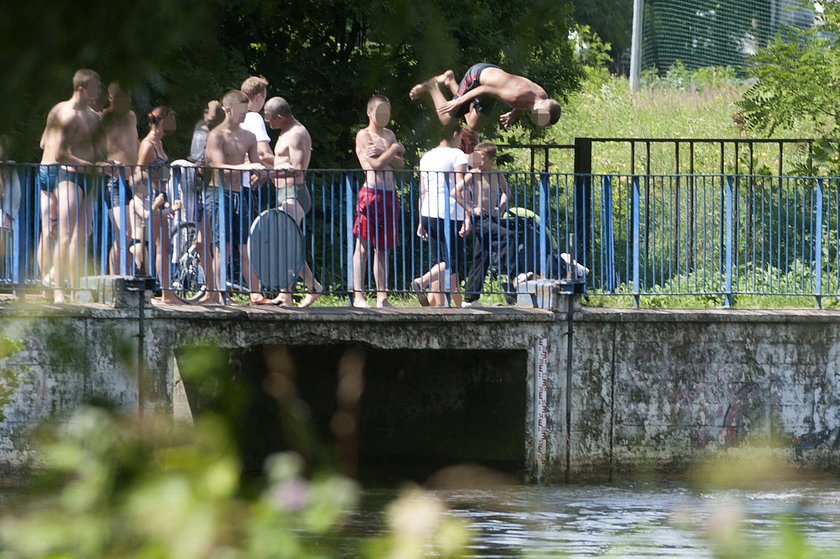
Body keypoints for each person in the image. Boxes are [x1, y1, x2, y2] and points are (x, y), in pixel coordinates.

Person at [38, 68, 103, 303]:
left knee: (74, 233)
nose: (99, 91)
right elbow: (59, 153)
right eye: (96, 86)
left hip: (63, 172)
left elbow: (43, 141)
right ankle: (55, 289)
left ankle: (59, 285)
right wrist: (91, 166)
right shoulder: (65, 113)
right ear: (81, 88)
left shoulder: (91, 115)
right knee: (60, 233)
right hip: (64, 173)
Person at [202, 89, 268, 305]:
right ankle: (217, 293)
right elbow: (218, 167)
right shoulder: (216, 136)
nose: (244, 115)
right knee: (224, 246)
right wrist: (246, 167)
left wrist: (261, 173)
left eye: (247, 111)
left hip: (241, 194)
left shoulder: (249, 136)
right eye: (241, 111)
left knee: (246, 245)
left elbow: (257, 163)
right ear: (228, 110)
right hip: (219, 193)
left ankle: (255, 293)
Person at [263, 96, 322, 307]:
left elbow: (297, 170)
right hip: (284, 193)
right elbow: (283, 161)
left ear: (280, 116)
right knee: (284, 244)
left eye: (270, 120)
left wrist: (268, 173)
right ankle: (292, 292)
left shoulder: (296, 134)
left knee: (285, 243)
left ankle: (304, 288)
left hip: (293, 193)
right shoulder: (285, 132)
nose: (269, 124)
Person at [351, 94, 405, 308]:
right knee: (362, 246)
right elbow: (375, 164)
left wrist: (388, 152)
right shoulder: (364, 136)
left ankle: (382, 295)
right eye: (380, 110)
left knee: (383, 248)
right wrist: (393, 150)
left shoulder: (389, 134)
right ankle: (359, 295)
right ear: (370, 112)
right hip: (371, 193)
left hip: (390, 194)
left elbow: (400, 165)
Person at [412, 125, 471, 307]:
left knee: (439, 262)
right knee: (451, 262)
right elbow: (459, 187)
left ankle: (440, 304)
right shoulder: (457, 155)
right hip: (451, 212)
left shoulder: (427, 156)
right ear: (455, 134)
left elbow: (422, 190)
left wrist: (421, 220)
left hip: (429, 211)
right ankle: (422, 281)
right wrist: (468, 214)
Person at [409, 64, 562, 132]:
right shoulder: (515, 96)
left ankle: (450, 81)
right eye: (543, 121)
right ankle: (432, 87)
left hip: (494, 84)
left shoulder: (542, 97)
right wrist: (458, 101)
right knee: (447, 120)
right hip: (478, 77)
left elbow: (527, 103)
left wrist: (513, 114)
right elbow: (484, 88)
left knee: (474, 125)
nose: (539, 125)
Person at [132, 106, 182, 304]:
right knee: (159, 246)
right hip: (151, 198)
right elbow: (138, 173)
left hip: (160, 197)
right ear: (163, 121)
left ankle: (166, 291)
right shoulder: (147, 145)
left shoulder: (158, 142)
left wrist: (165, 195)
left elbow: (160, 173)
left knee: (163, 247)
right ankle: (165, 293)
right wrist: (147, 198)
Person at [461, 142, 517, 307]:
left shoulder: (496, 174)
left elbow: (507, 192)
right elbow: (456, 192)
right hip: (480, 219)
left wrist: (500, 209)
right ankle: (513, 274)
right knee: (508, 235)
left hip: (491, 217)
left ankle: (470, 298)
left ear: (492, 159)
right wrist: (472, 209)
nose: (478, 161)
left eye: (482, 158)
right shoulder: (473, 174)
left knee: (481, 257)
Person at [96, 82, 139, 276]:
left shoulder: (131, 117)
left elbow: (133, 144)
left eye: (128, 97)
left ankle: (125, 276)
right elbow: (91, 147)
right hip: (114, 180)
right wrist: (100, 164)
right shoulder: (102, 118)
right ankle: (116, 279)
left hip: (134, 180)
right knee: (124, 232)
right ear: (111, 98)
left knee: (135, 234)